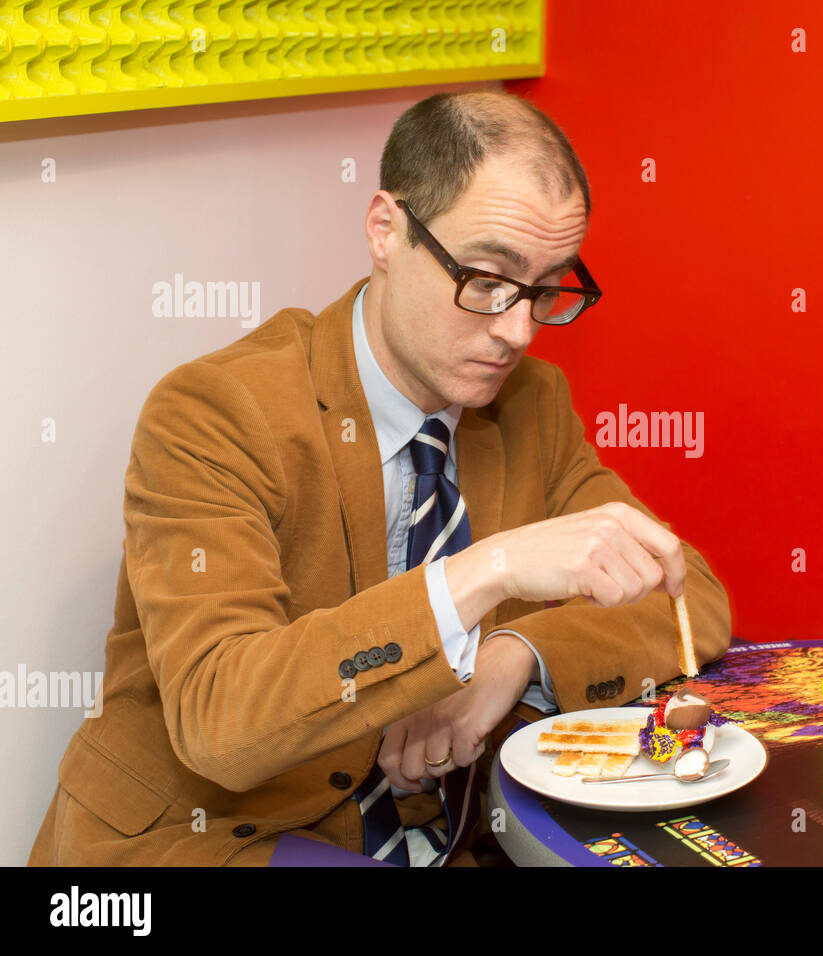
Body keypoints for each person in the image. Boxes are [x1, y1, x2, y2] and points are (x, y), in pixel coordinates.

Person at [27, 90, 732, 867]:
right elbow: (220, 720)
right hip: (216, 840)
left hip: (443, 836)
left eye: (547, 289)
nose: (517, 330)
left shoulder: (532, 405)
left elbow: (686, 592)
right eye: (487, 278)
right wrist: (483, 574)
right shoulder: (216, 411)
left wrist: (512, 652)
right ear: (386, 230)